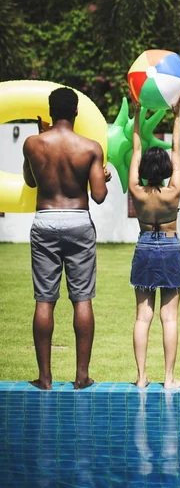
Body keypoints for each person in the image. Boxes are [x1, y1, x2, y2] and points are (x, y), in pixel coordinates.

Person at [22, 87, 112, 390]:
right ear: (76, 112)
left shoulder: (32, 144)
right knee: (82, 298)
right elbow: (98, 196)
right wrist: (103, 175)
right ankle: (82, 376)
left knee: (44, 300)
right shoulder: (90, 147)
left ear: (50, 112)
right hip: (78, 222)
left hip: (45, 220)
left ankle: (45, 378)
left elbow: (31, 180)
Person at [129, 94, 180, 389]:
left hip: (144, 247)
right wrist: (177, 115)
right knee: (170, 318)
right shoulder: (174, 190)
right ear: (165, 169)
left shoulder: (136, 191)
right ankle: (168, 378)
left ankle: (141, 378)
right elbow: (177, 151)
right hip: (170, 246)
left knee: (143, 316)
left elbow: (137, 147)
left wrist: (137, 113)